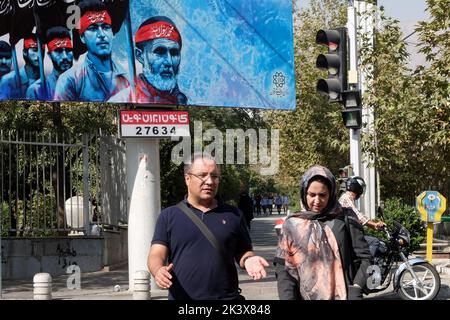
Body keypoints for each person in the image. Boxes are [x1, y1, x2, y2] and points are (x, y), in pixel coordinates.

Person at [148, 153, 269, 300]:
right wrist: (158, 270)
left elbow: (243, 251)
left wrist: (250, 260)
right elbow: (156, 254)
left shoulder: (233, 215)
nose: (209, 181)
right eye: (202, 175)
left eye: (214, 176)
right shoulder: (169, 216)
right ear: (187, 178)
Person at [275, 165, 372, 300]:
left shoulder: (345, 218)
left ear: (331, 194)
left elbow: (365, 258)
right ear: (304, 193)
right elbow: (284, 268)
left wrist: (356, 287)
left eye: (322, 195)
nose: (317, 201)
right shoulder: (292, 225)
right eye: (312, 195)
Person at [54, 0, 129, 101]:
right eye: (93, 28)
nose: (102, 34)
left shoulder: (129, 79)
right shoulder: (69, 80)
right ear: (82, 38)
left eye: (106, 27)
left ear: (112, 33)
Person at [109, 16, 187, 104]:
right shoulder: (121, 101)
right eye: (160, 52)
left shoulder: (187, 102)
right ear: (139, 55)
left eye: (174, 53)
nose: (169, 61)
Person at [26, 26, 74, 100]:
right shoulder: (36, 90)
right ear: (50, 55)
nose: (65, 56)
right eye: (58, 51)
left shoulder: (82, 85)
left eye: (68, 50)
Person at [0, 34, 42, 99]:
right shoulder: (8, 81)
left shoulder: (44, 81)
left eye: (7, 57)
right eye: (35, 50)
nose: (4, 61)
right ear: (25, 52)